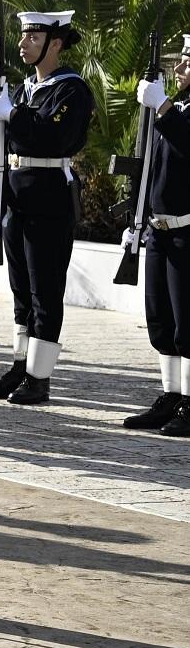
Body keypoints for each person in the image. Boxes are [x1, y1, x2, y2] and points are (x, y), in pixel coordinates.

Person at [0, 10, 95, 406]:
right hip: (17, 195)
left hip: (48, 195)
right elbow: (5, 153)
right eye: (23, 36)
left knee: (45, 289)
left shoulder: (70, 90)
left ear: (55, 44)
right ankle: (20, 365)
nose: (24, 43)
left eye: (33, 37)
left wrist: (12, 114)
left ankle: (39, 377)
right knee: (21, 290)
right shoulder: (25, 88)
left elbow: (52, 136)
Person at [125, 36, 190, 435]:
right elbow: (147, 163)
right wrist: (136, 220)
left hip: (187, 232)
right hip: (159, 230)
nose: (181, 68)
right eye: (181, 60)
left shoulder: (174, 112)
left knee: (188, 323)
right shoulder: (174, 109)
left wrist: (162, 107)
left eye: (188, 61)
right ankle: (172, 395)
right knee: (161, 321)